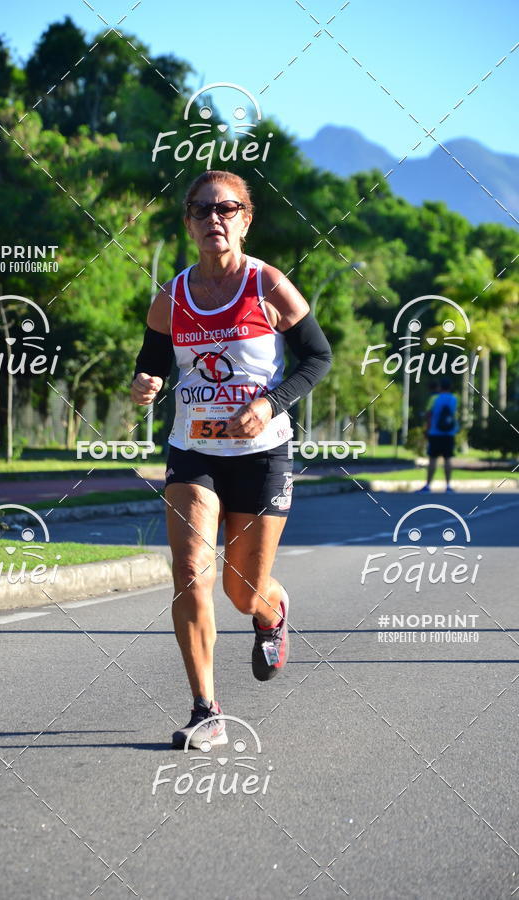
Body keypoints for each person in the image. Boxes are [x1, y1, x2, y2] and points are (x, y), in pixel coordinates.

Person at [130, 170, 332, 748]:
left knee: (243, 591)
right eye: (201, 209)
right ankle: (206, 711)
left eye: (227, 208)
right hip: (194, 451)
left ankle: (271, 610)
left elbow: (317, 358)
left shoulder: (268, 285)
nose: (213, 218)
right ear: (188, 222)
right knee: (190, 570)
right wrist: (145, 383)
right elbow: (153, 362)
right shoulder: (172, 296)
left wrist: (270, 402)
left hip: (262, 453)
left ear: (246, 218)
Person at [418, 376, 458, 493]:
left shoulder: (434, 399)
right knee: (448, 459)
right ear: (450, 387)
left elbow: (429, 415)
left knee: (432, 459)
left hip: (435, 433)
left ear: (440, 387)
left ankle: (428, 485)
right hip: (449, 433)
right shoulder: (454, 399)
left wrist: (426, 428)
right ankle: (448, 485)